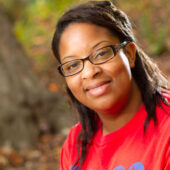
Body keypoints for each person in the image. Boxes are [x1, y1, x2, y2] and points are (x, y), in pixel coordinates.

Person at [52, 1, 170, 170]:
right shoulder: (74, 145)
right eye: (72, 65)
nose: (89, 72)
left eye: (101, 53)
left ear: (129, 54)